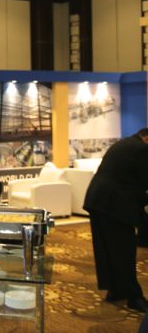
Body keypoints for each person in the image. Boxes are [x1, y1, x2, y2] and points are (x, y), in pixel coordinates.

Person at [83, 128, 148, 313]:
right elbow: (144, 180)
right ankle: (134, 297)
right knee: (124, 251)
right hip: (114, 205)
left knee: (107, 249)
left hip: (98, 200)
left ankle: (116, 290)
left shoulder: (124, 143)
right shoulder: (141, 148)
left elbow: (129, 178)